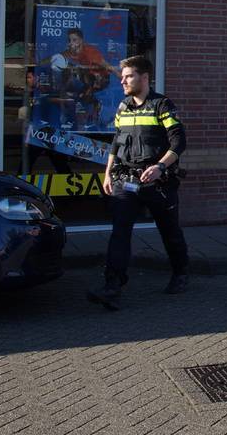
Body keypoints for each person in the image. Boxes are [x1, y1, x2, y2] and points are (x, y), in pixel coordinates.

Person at [87, 55, 188, 310]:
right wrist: (108, 173)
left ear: (144, 78)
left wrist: (159, 166)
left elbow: (179, 142)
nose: (122, 81)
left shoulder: (161, 106)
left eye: (128, 76)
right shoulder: (123, 108)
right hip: (126, 182)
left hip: (158, 183)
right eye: (122, 76)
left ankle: (180, 273)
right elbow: (116, 142)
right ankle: (112, 286)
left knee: (170, 232)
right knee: (120, 232)